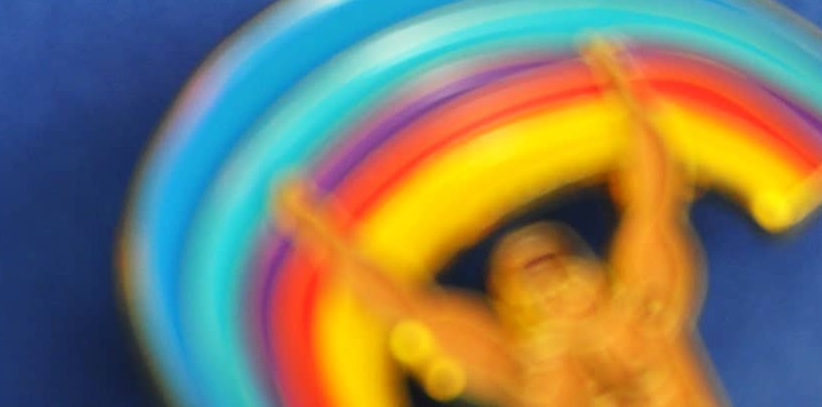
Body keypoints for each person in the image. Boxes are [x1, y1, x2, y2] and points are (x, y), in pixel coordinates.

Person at [274, 41, 723, 407]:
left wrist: (625, 85)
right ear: (513, 314)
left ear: (593, 273)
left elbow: (654, 203)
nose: (551, 288)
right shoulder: (519, 368)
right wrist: (314, 229)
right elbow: (407, 309)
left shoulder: (648, 309)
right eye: (534, 281)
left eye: (553, 266)